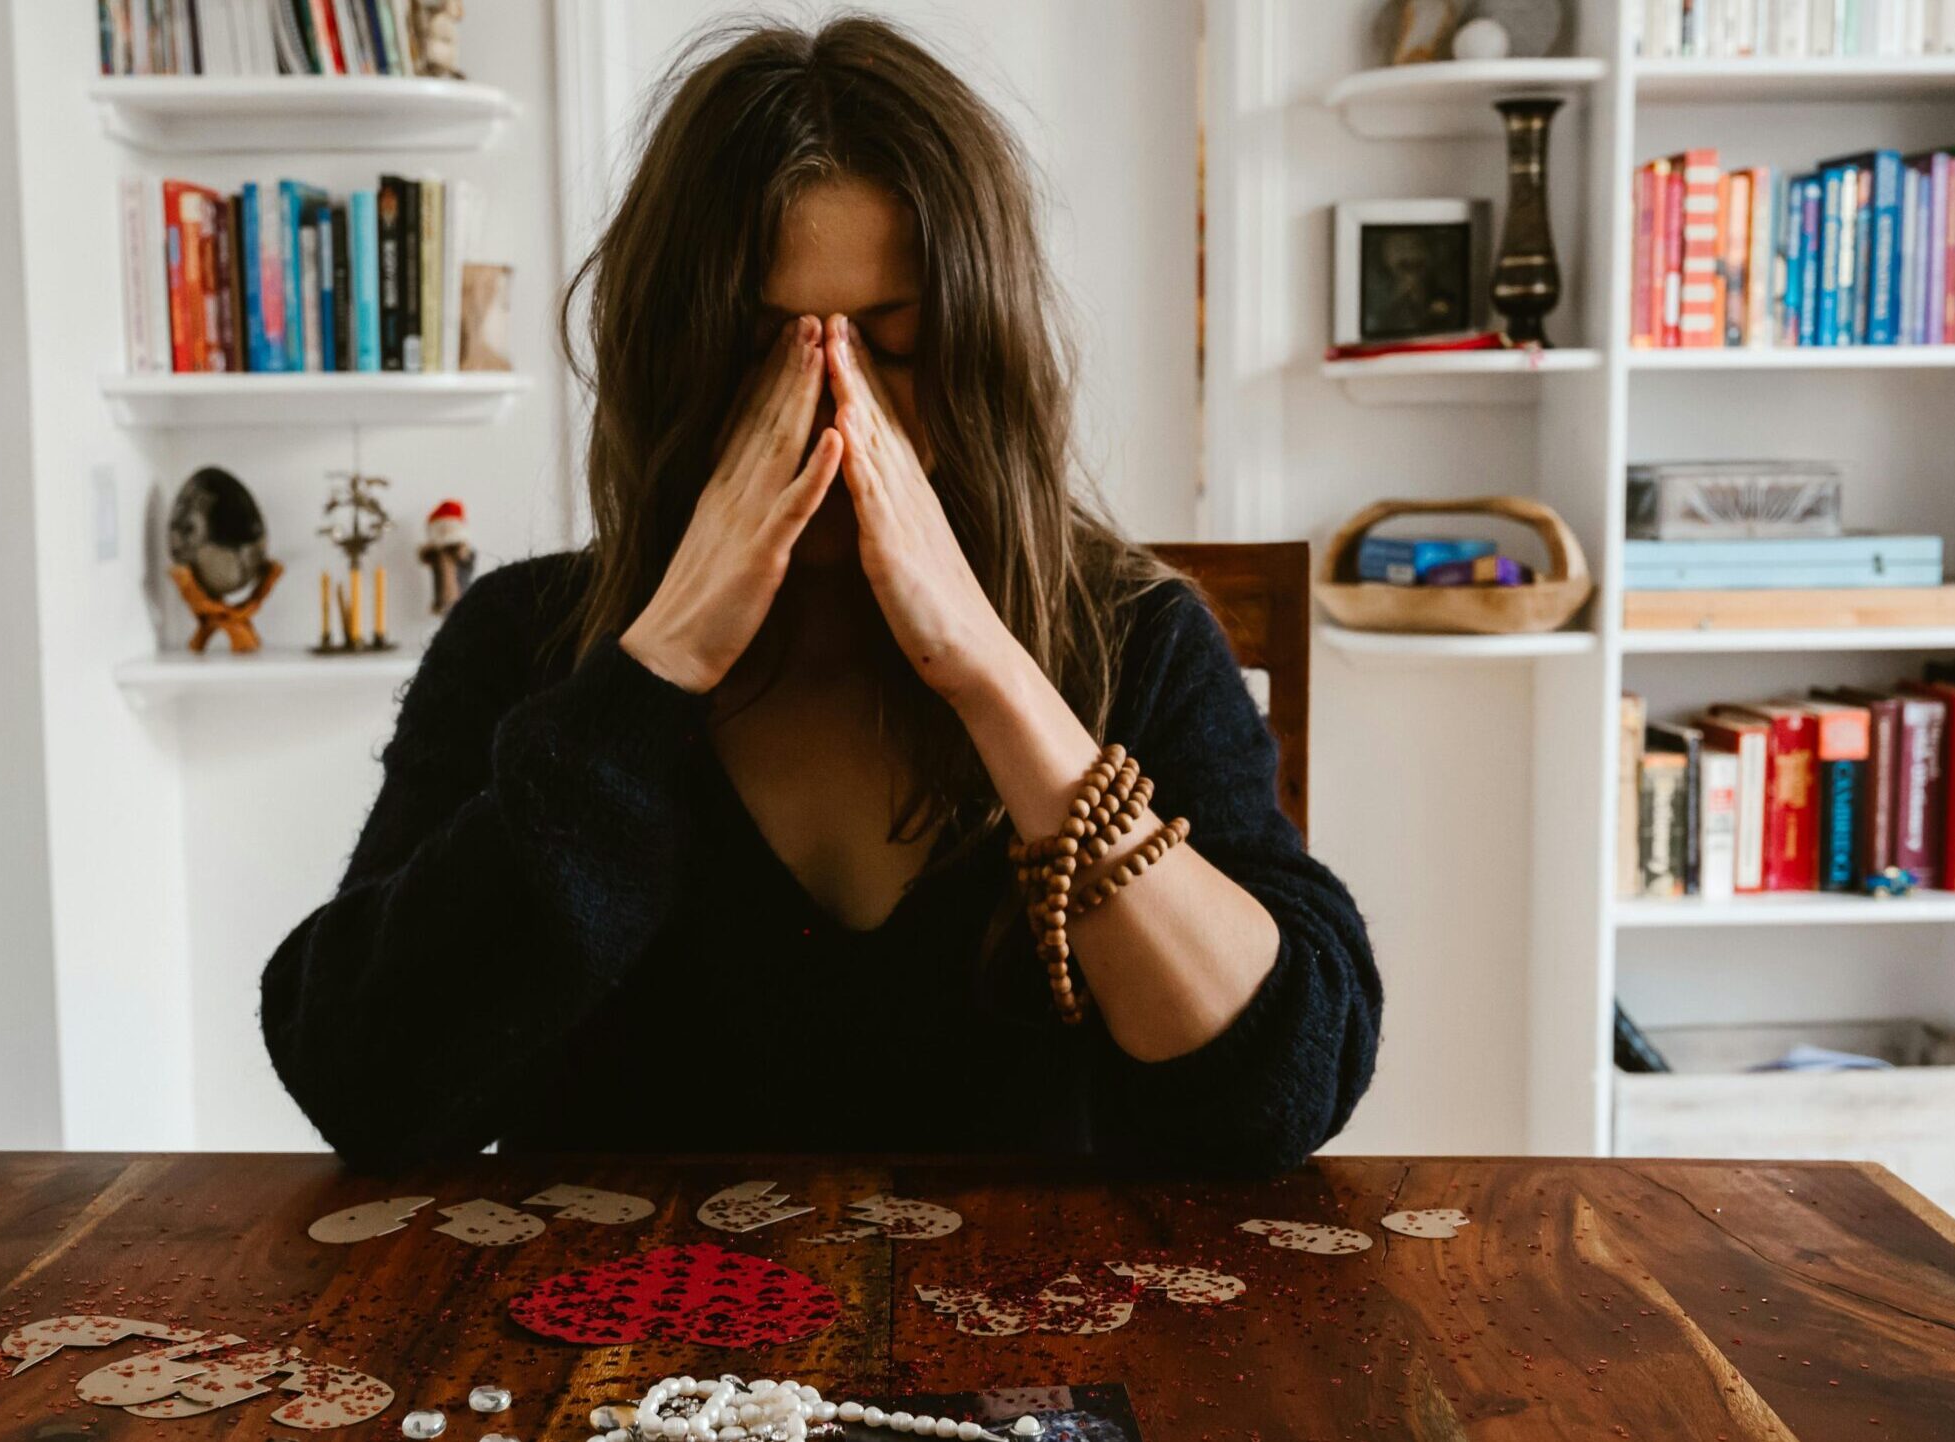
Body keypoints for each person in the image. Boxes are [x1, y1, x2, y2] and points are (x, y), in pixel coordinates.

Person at [261, 16, 1379, 1173]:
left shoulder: (1132, 638)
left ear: (980, 357)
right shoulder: (524, 642)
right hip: (615, 1342)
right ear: (670, 360)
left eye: (893, 348)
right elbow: (362, 1082)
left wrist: (995, 677)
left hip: (1032, 1336)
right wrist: (648, 678)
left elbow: (1283, 1092)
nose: (840, 415)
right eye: (766, 351)